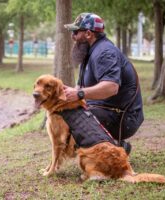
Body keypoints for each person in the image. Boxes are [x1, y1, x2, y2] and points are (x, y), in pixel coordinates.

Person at [63, 13, 144, 154]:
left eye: (76, 32)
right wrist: (64, 93)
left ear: (88, 33)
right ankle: (110, 147)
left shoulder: (105, 52)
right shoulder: (89, 54)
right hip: (107, 112)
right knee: (66, 112)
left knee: (78, 118)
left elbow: (111, 87)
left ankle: (114, 149)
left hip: (124, 118)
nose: (73, 36)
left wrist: (79, 94)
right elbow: (79, 89)